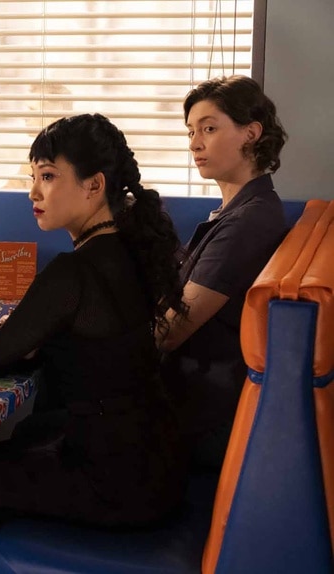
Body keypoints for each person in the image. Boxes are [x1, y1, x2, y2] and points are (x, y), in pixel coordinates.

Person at [0, 113, 189, 574]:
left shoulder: (74, 272)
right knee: (7, 454)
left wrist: (25, 337)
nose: (33, 192)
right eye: (33, 176)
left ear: (93, 186)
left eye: (48, 177)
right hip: (157, 463)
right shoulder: (129, 250)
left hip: (112, 480)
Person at [159, 75, 288, 470]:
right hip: (189, 399)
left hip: (198, 415)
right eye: (191, 132)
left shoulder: (249, 222)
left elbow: (169, 333)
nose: (195, 143)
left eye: (209, 129)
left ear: (251, 134)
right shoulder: (236, 210)